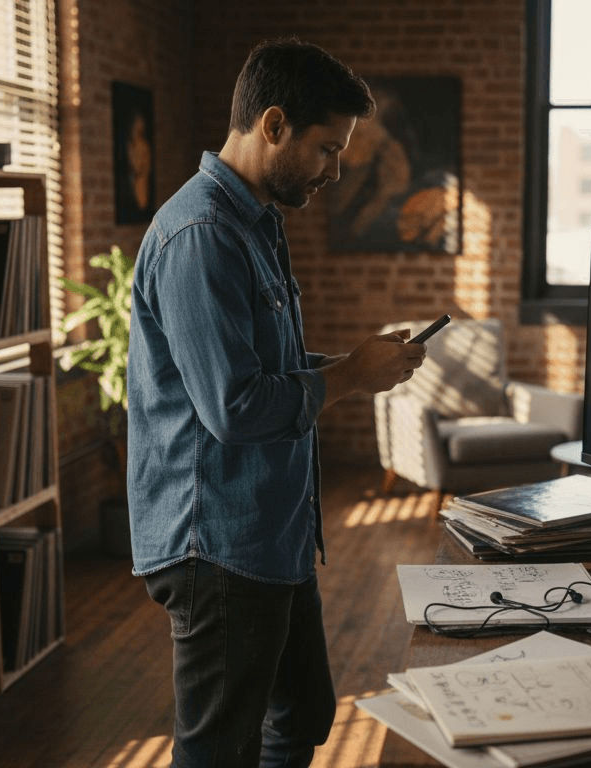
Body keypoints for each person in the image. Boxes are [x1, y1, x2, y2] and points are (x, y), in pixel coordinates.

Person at [124, 38, 426, 767]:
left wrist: (358, 364)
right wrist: (352, 375)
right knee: (219, 749)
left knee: (303, 712)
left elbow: (267, 369)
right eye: (328, 149)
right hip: (217, 543)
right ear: (274, 124)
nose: (336, 169)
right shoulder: (201, 234)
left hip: (266, 532)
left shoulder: (254, 220)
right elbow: (233, 407)